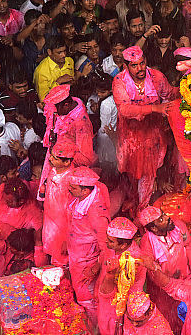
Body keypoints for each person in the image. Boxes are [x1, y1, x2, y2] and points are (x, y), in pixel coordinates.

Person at [112, 46, 178, 209]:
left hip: (153, 134)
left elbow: (169, 94)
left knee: (149, 174)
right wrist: (154, 108)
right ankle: (136, 205)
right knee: (132, 175)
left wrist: (188, 86)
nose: (140, 68)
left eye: (142, 63)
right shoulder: (119, 81)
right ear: (126, 67)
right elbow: (125, 109)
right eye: (134, 65)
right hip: (131, 138)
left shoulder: (156, 77)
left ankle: (143, 209)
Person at [138, 206, 191, 332]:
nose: (167, 218)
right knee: (170, 320)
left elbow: (189, 245)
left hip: (187, 277)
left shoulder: (179, 226)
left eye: (164, 214)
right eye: (161, 219)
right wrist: (187, 284)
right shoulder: (147, 243)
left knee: (189, 314)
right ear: (154, 229)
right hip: (163, 292)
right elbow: (157, 277)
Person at [67, 166, 111, 322]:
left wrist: (94, 270)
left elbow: (107, 247)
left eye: (72, 188)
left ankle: (96, 327)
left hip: (88, 264)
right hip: (78, 259)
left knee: (89, 300)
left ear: (85, 190)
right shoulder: (81, 199)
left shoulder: (97, 213)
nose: (69, 190)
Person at [96, 217, 146, 335]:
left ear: (123, 245)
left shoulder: (132, 261)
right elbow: (104, 260)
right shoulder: (114, 247)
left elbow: (121, 292)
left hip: (119, 302)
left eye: (110, 241)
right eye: (107, 238)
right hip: (107, 296)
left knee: (112, 327)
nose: (106, 241)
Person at [34, 36, 75, 100]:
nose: (64, 55)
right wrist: (58, 82)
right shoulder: (41, 72)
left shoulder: (69, 61)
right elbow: (44, 100)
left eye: (64, 51)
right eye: (59, 53)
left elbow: (72, 83)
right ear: (49, 52)